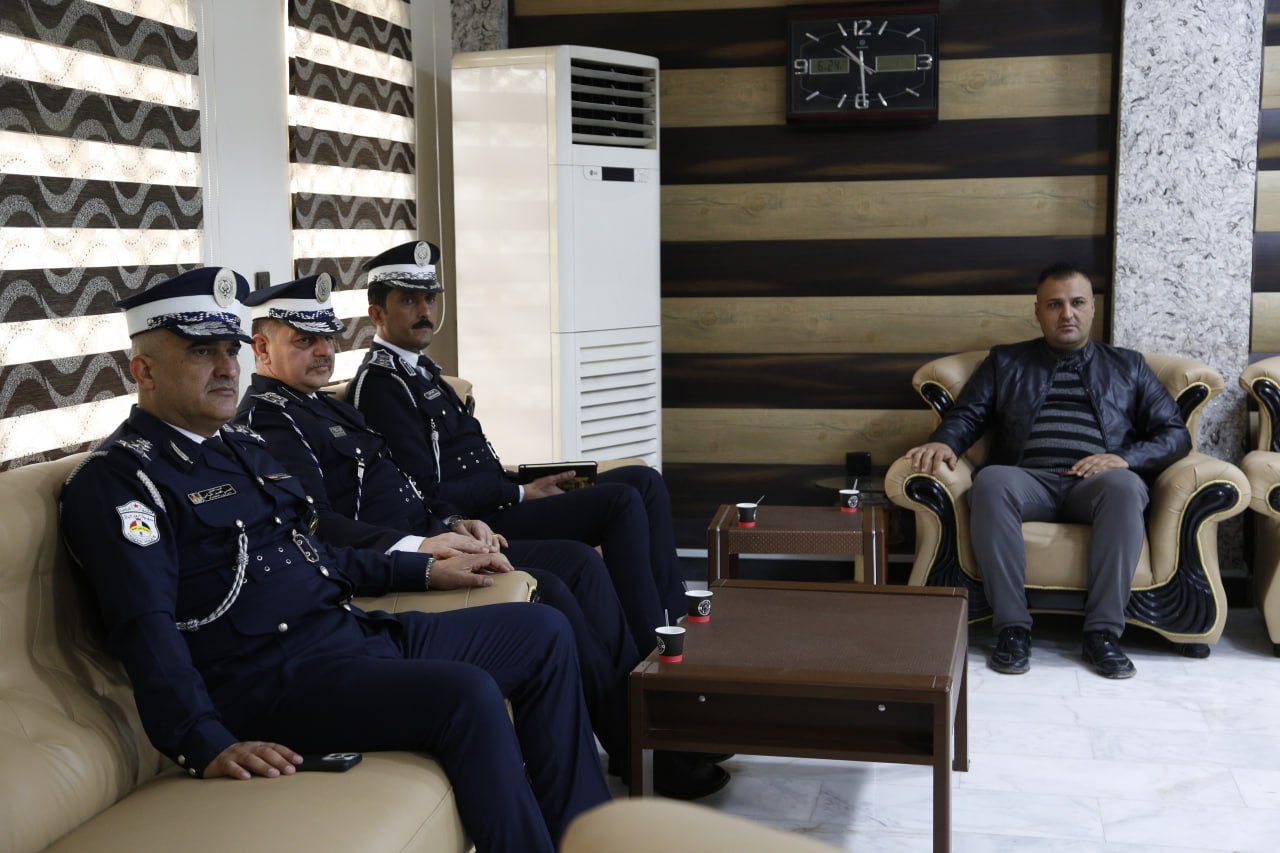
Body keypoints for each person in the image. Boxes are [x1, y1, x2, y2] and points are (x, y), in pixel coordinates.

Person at [59, 267, 609, 852]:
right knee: (466, 694)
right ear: (143, 371)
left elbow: (313, 551)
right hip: (271, 682)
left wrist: (423, 568)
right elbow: (144, 625)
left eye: (228, 349)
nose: (226, 368)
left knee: (542, 631)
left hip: (347, 635)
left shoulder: (238, 448)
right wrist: (202, 740)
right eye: (201, 352)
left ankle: (589, 837)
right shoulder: (120, 481)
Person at [235, 273, 729, 798]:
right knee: (553, 587)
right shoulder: (272, 421)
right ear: (262, 349)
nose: (323, 351)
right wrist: (424, 548)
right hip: (401, 565)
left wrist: (452, 521)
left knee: (586, 558)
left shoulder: (325, 404)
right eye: (304, 340)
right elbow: (316, 525)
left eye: (327, 337)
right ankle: (645, 746)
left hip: (442, 534)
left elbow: (407, 487)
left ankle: (654, 723)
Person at [346, 241, 686, 658]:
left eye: (430, 299)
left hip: (503, 495)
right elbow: (425, 491)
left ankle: (676, 618)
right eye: (408, 300)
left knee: (644, 480)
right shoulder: (382, 386)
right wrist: (520, 492)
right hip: (483, 519)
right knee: (620, 502)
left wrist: (526, 483)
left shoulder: (422, 371)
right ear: (377, 315)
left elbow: (473, 462)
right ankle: (655, 647)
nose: (425, 310)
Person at [905, 262, 1191, 679]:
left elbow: (1175, 434)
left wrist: (1125, 459)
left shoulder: (1128, 366)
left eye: (1077, 303)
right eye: (1054, 304)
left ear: (1092, 308)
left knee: (1125, 487)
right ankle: (1012, 629)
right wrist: (945, 441)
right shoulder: (1006, 361)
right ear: (1037, 311)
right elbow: (968, 415)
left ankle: (1102, 634)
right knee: (991, 480)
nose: (1066, 314)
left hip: (1095, 484)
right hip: (1028, 480)